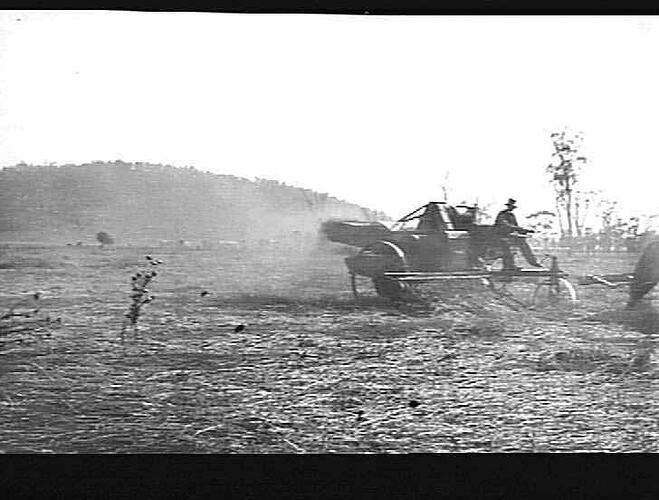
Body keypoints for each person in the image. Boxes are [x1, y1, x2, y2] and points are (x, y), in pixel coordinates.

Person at [494, 198, 542, 269]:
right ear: (508, 206)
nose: (511, 208)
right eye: (510, 206)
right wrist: (519, 229)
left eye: (512, 207)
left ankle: (512, 265)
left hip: (509, 236)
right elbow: (505, 225)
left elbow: (516, 226)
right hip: (499, 236)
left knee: (521, 241)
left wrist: (526, 230)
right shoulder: (502, 214)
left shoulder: (511, 215)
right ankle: (532, 262)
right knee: (520, 242)